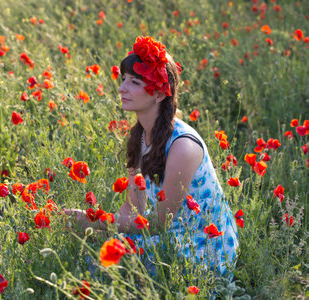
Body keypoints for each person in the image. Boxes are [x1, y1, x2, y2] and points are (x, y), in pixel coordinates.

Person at [64, 36, 238, 279]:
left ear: (158, 94)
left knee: (102, 268)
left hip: (200, 250)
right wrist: (98, 226)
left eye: (134, 82)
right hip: (164, 237)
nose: (123, 88)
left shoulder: (183, 146)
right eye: (124, 79)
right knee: (89, 252)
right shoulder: (140, 136)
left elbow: (159, 223)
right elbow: (133, 208)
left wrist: (97, 221)